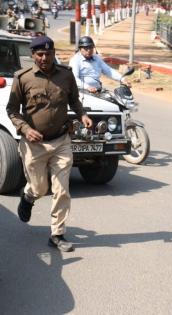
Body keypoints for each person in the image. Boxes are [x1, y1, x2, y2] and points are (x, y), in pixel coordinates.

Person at [6, 36, 93, 252]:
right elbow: (12, 110)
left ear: (54, 53)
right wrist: (25, 129)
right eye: (40, 54)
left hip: (61, 140)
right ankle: (28, 197)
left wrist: (82, 115)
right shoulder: (22, 78)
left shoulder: (65, 75)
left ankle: (57, 234)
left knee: (62, 190)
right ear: (33, 55)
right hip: (34, 144)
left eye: (48, 53)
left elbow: (74, 100)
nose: (44, 58)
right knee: (39, 188)